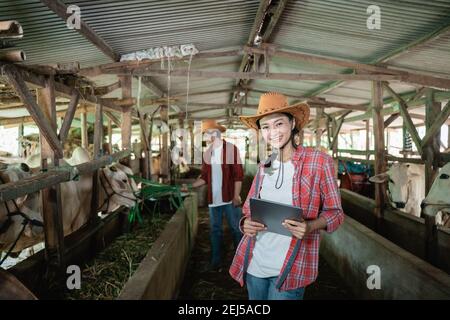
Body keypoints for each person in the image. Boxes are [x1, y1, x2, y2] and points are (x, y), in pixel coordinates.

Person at [229, 92, 344, 300]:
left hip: (291, 267)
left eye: (279, 124)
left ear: (292, 123)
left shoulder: (318, 162)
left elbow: (336, 214)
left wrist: (310, 226)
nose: (272, 132)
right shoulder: (265, 165)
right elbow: (248, 210)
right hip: (256, 263)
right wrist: (245, 223)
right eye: (265, 127)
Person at [189, 119, 244, 271]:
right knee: (215, 230)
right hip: (214, 200)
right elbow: (205, 177)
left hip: (229, 197)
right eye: (207, 133)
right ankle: (216, 261)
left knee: (235, 227)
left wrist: (236, 196)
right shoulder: (208, 152)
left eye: (210, 132)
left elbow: (238, 175)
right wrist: (189, 186)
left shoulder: (231, 149)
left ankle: (240, 261)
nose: (208, 136)